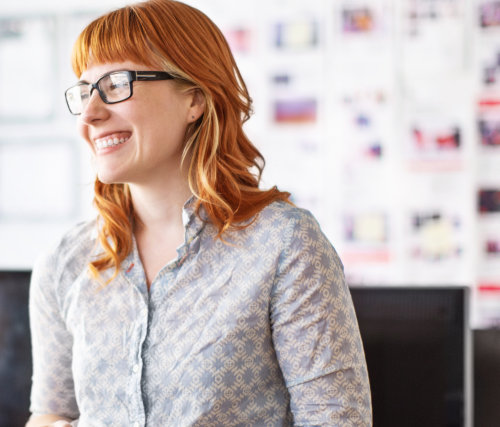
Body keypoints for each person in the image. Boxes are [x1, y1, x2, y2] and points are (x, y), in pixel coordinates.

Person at [26, 1, 371, 426]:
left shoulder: (284, 244)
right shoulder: (65, 262)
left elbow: (335, 420)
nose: (91, 114)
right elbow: (52, 415)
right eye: (84, 92)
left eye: (116, 84)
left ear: (194, 98)